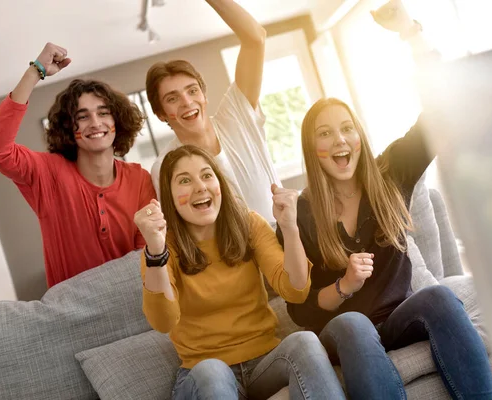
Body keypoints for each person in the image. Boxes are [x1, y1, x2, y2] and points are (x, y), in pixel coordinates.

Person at [276, 1, 492, 399]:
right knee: (354, 324)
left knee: (440, 297)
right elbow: (302, 311)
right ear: (312, 148)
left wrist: (411, 34)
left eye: (347, 129)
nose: (340, 140)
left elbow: (441, 109)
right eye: (325, 134)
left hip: (399, 317)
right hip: (343, 330)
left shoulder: (390, 174)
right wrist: (344, 285)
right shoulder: (301, 212)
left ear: (360, 136)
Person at [133, 145, 345, 400]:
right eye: (185, 180)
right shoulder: (161, 247)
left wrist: (289, 227)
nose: (200, 186)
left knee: (306, 343)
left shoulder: (249, 224)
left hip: (263, 365)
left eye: (207, 175)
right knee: (213, 370)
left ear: (219, 183)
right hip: (204, 377)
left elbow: (296, 290)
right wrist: (156, 252)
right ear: (168, 195)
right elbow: (163, 322)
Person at [0, 42, 156, 287]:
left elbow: (146, 255)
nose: (95, 123)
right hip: (71, 318)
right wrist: (35, 71)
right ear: (67, 127)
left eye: (104, 113)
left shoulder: (140, 179)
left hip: (135, 304)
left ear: (118, 120)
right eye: (82, 117)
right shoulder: (46, 173)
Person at [146, 0, 279, 225]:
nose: (187, 102)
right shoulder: (165, 166)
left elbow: (255, 38)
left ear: (205, 96)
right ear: (160, 114)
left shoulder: (237, 116)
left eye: (192, 91)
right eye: (172, 98)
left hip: (287, 236)